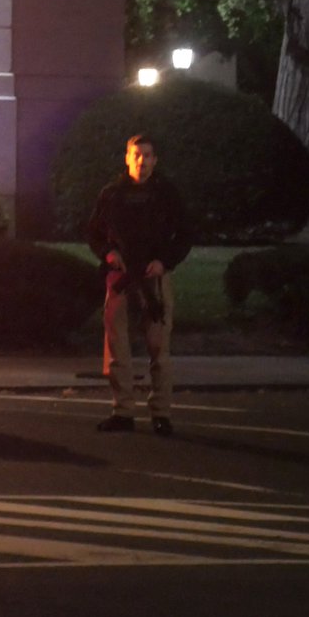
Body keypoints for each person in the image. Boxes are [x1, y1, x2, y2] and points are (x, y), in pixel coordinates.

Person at [86, 133, 191, 436]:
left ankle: (161, 413)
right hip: (120, 279)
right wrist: (108, 253)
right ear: (127, 158)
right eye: (137, 155)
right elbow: (93, 232)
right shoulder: (111, 194)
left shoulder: (166, 194)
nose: (142, 161)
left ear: (155, 160)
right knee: (117, 346)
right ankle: (123, 411)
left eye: (147, 156)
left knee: (159, 347)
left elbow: (184, 234)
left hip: (152, 278)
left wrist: (165, 262)